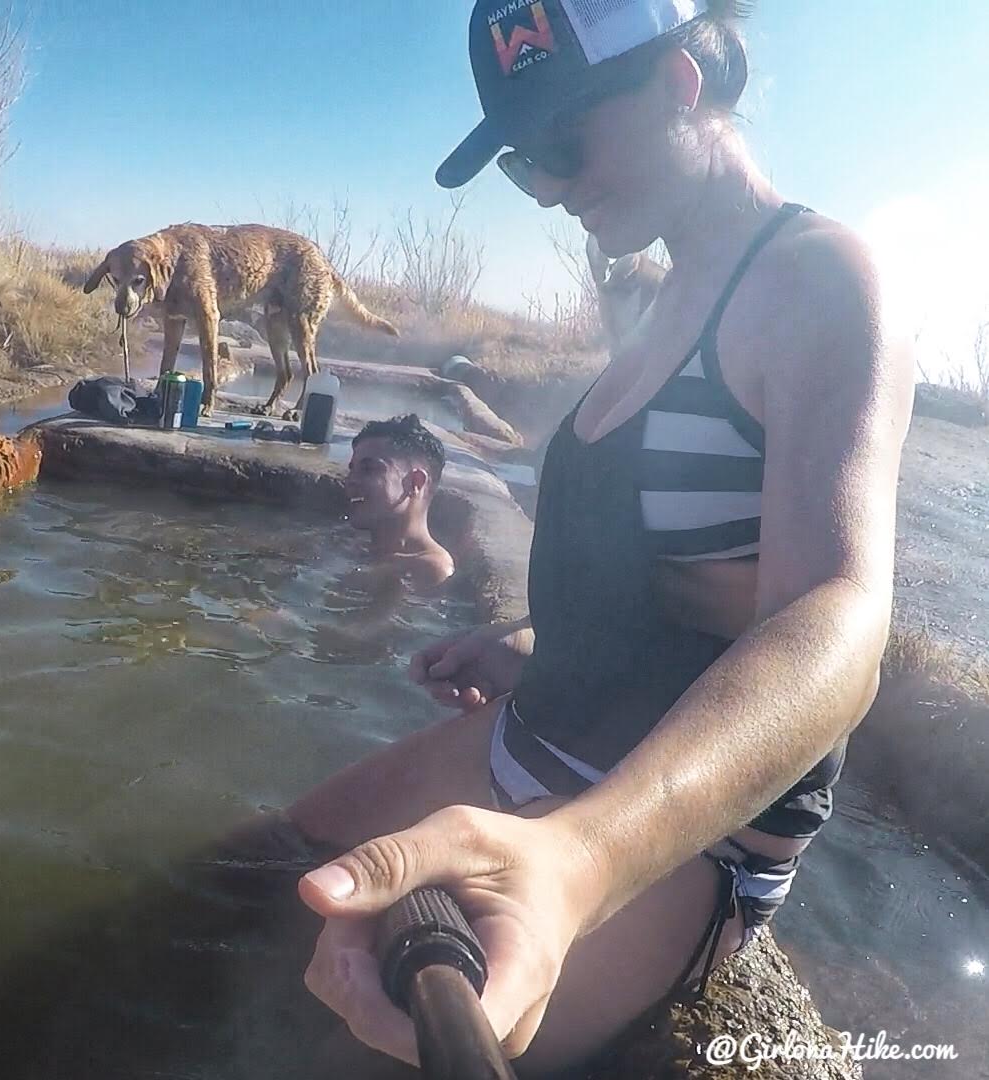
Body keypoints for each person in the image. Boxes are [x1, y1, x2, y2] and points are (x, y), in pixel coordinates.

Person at [282, 0, 913, 1073]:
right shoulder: (660, 302)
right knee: (263, 867)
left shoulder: (814, 276)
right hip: (531, 730)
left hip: (672, 836)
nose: (549, 188)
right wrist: (543, 641)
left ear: (680, 86)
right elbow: (666, 566)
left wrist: (580, 859)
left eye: (563, 145)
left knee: (346, 1047)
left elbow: (838, 618)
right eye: (523, 163)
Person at [344, 414, 456, 595]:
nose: (351, 480)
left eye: (369, 469)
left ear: (415, 482)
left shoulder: (431, 569)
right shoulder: (359, 548)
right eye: (352, 470)